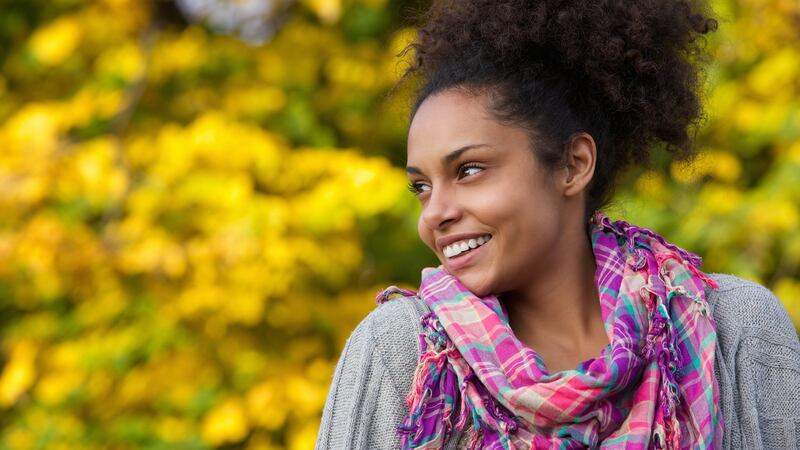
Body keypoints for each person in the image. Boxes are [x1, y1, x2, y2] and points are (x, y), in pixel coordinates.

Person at [315, 0, 800, 448]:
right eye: (421, 186)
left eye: (469, 170)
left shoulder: (736, 331)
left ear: (573, 164)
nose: (434, 214)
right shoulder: (401, 353)